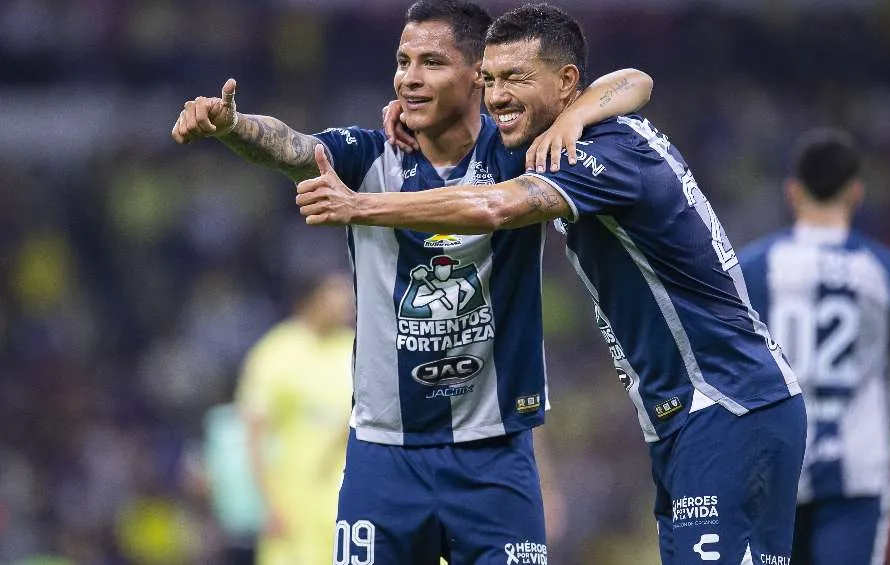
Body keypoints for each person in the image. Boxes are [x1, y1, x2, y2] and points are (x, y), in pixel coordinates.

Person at [293, 4, 807, 564]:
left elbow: (495, 205)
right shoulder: (578, 138)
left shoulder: (607, 151)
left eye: (516, 79)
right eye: (488, 80)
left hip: (728, 401)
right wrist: (432, 113)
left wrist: (361, 205)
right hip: (689, 414)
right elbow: (632, 81)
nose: (497, 96)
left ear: (565, 83)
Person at [170, 1, 653, 562]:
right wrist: (233, 125)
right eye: (403, 62)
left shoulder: (520, 151)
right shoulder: (367, 154)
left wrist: (573, 117)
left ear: (478, 76)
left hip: (494, 455)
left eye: (431, 62)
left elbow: (634, 83)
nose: (409, 77)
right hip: (384, 457)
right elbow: (291, 145)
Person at [737, 129, 890, 565]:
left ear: (793, 192)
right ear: (855, 193)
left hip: (772, 470)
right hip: (857, 475)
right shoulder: (887, 271)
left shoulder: (751, 268)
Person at [235, 272, 355, 565]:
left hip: (347, 496)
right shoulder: (276, 352)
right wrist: (265, 504)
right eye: (334, 293)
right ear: (309, 300)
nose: (347, 302)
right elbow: (253, 435)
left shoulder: (356, 346)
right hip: (294, 500)